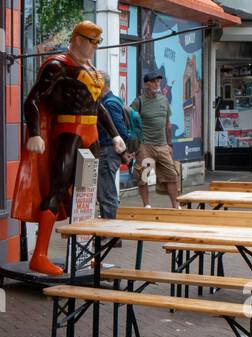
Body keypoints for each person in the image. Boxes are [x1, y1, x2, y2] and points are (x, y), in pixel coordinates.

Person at [11, 21, 126, 275]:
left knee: (85, 195)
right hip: (69, 134)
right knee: (58, 188)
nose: (92, 46)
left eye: (96, 42)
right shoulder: (58, 65)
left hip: (91, 135)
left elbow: (98, 107)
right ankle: (39, 255)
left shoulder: (91, 69)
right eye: (88, 40)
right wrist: (35, 133)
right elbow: (33, 99)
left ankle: (82, 255)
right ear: (75, 39)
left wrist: (115, 134)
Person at [130, 70, 180, 208]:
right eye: (154, 81)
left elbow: (167, 124)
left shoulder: (164, 100)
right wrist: (134, 144)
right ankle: (147, 205)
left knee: (172, 175)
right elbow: (130, 120)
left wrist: (169, 144)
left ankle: (176, 206)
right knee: (143, 176)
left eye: (158, 81)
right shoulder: (139, 101)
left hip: (162, 145)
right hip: (145, 146)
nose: (157, 83)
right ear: (147, 84)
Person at [96, 75, 130, 219]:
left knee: (107, 194)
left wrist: (121, 150)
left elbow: (121, 131)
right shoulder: (111, 101)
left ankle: (112, 235)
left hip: (107, 151)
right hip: (108, 151)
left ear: (101, 84)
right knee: (106, 192)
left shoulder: (108, 104)